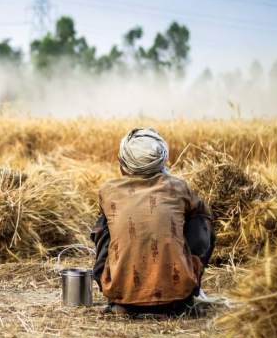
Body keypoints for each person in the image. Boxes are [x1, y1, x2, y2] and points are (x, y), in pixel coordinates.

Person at [91, 128, 215, 315]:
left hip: (123, 298)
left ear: (122, 164)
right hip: (178, 300)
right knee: (200, 217)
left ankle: (119, 288)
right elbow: (204, 221)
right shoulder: (178, 187)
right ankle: (186, 283)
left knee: (105, 223)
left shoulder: (108, 191)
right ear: (162, 161)